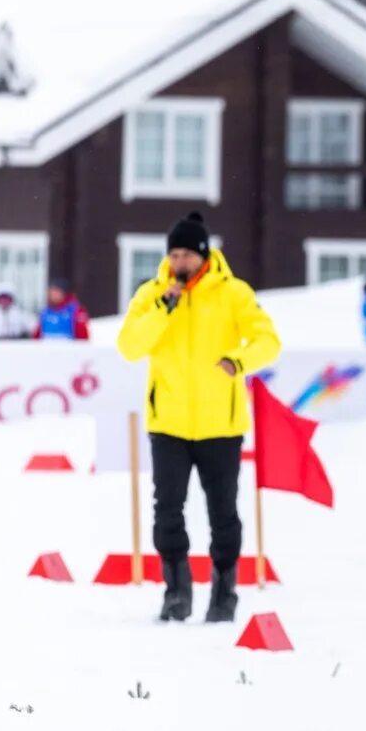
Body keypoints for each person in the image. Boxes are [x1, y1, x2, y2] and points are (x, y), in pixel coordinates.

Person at [116, 212, 280, 623]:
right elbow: (130, 346)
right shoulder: (152, 294)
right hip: (168, 422)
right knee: (167, 510)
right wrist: (163, 308)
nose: (179, 262)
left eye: (187, 253)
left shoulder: (233, 293)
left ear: (204, 255)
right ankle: (177, 592)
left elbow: (267, 340)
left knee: (222, 512)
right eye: (173, 254)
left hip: (219, 426)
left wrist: (237, 361)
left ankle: (224, 594)